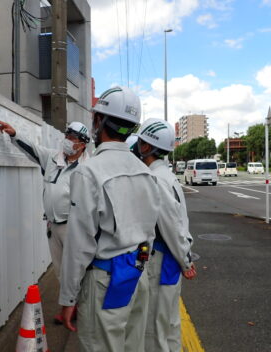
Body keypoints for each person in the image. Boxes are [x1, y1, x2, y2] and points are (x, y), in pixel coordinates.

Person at [59, 86, 161, 352]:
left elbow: (79, 244)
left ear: (98, 121)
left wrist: (68, 298)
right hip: (137, 274)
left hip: (104, 281)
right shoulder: (146, 172)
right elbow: (150, 232)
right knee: (133, 346)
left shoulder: (88, 172)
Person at [0, 118, 90, 323]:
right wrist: (14, 134)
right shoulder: (52, 159)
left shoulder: (88, 167)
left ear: (82, 144)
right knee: (61, 271)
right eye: (66, 135)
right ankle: (69, 309)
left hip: (74, 228)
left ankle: (80, 310)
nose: (67, 140)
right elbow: (32, 148)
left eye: (71, 137)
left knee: (78, 271)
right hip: (54, 226)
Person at [130, 118, 196, 352]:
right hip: (170, 260)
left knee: (156, 329)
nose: (136, 146)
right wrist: (184, 257)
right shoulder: (167, 176)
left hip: (162, 261)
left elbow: (171, 225)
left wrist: (185, 261)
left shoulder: (155, 179)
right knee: (168, 325)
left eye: (140, 142)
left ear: (147, 147)